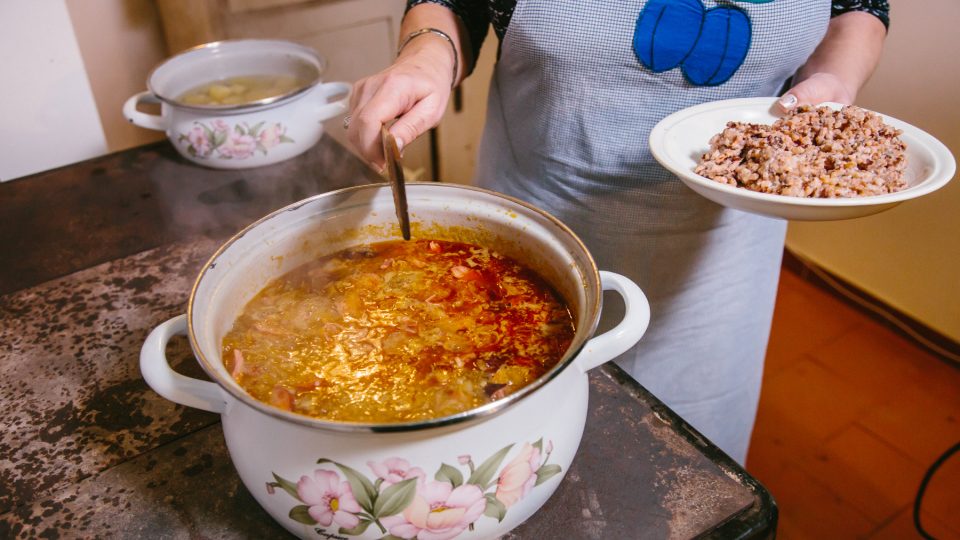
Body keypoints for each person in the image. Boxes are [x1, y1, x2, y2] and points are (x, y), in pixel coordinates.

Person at [345, 0, 890, 464]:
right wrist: (427, 53)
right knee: (513, 461)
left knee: (686, 460)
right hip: (532, 239)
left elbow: (858, 6)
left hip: (722, 255)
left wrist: (837, 80)